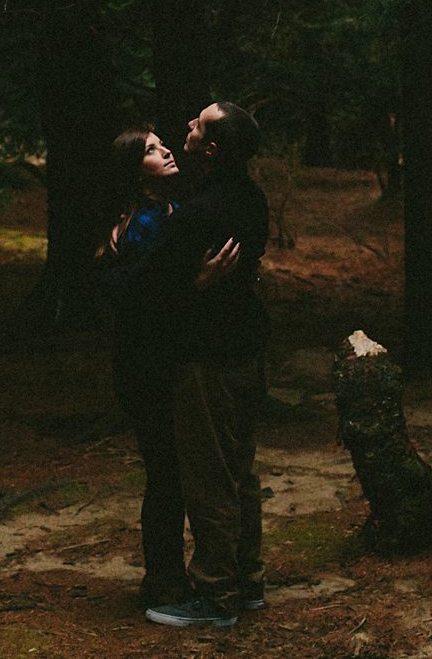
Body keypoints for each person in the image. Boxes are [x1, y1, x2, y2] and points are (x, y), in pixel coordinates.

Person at [142, 101, 270, 628]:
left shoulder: (200, 213)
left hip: (207, 362)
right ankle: (250, 581)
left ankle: (216, 596)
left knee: (210, 478)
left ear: (211, 150)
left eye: (195, 125)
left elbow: (151, 290)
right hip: (247, 351)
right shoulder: (252, 201)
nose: (186, 128)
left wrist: (192, 285)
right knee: (240, 471)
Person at [100, 128, 192, 607]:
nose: (167, 150)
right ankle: (163, 580)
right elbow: (143, 297)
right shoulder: (142, 225)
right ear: (136, 172)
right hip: (145, 366)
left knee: (171, 471)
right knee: (165, 472)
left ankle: (168, 574)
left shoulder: (165, 213)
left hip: (159, 361)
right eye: (152, 151)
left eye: (162, 144)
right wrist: (202, 282)